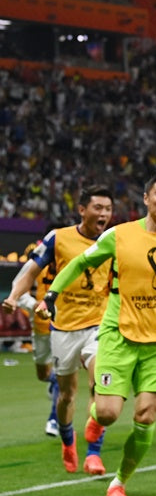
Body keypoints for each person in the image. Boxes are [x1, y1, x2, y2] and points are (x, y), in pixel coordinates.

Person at [36, 173, 156, 496]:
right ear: (146, 199)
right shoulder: (119, 235)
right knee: (108, 414)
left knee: (146, 415)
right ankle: (93, 420)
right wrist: (52, 294)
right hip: (118, 336)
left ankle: (119, 482)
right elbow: (82, 262)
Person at [3, 185, 114, 473]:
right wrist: (14, 297)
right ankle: (68, 441)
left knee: (100, 385)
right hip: (62, 327)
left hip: (98, 324)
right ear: (82, 210)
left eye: (108, 209)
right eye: (98, 208)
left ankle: (94, 452)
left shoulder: (115, 240)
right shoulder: (58, 238)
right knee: (66, 395)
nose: (103, 214)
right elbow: (29, 270)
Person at [5, 242, 59, 436]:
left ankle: (54, 419)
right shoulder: (38, 263)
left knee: (63, 375)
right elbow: (19, 293)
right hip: (41, 327)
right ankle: (53, 380)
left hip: (65, 326)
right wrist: (36, 304)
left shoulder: (72, 261)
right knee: (44, 374)